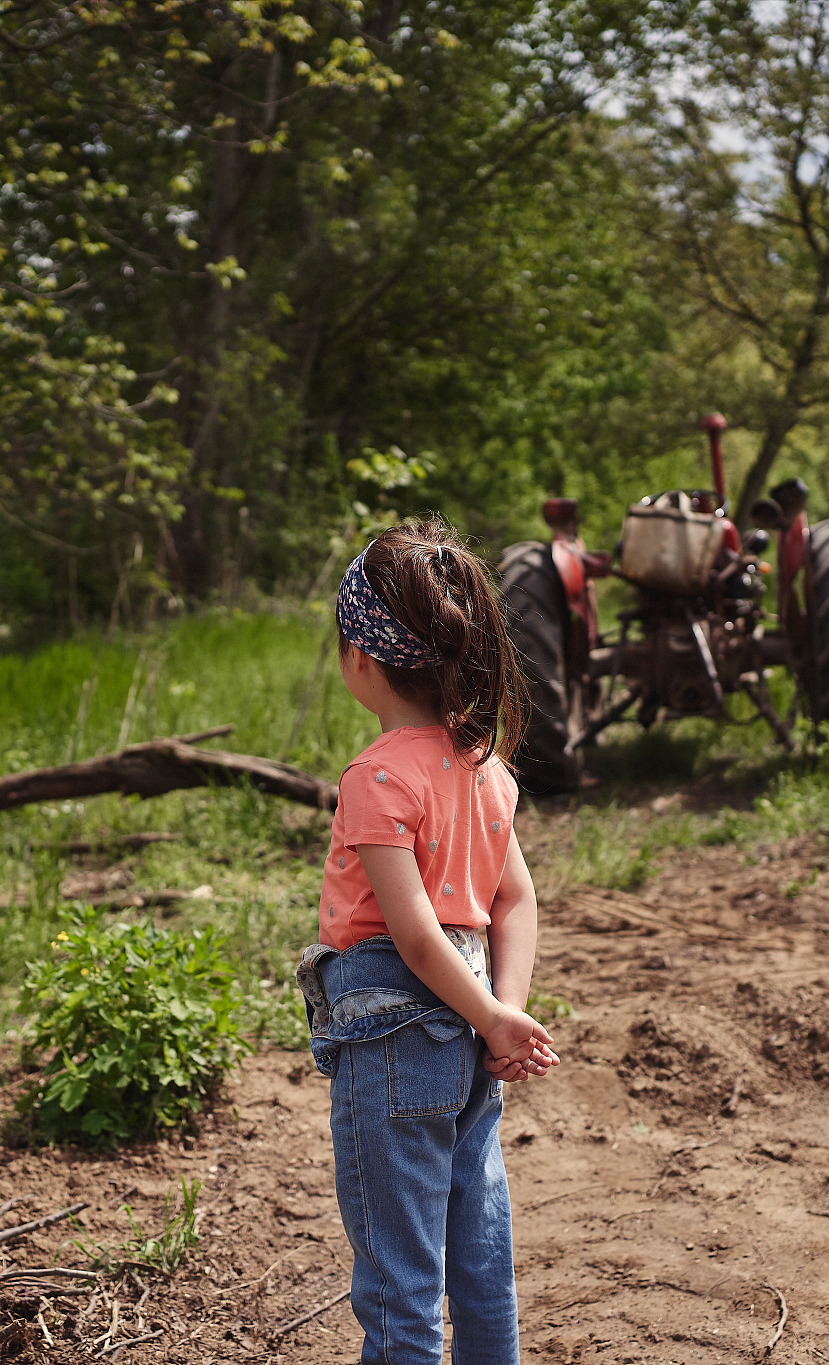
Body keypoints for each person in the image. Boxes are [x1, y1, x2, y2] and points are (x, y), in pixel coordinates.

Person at [295, 518, 562, 1365]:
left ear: (360, 659)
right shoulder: (486, 767)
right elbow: (514, 898)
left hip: (397, 1040)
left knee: (399, 1277)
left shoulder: (377, 775)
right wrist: (500, 1013)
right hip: (474, 1035)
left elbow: (410, 936)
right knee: (479, 1254)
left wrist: (488, 1013)